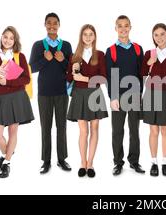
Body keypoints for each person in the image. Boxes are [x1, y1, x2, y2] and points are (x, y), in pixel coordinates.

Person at [0, 26, 34, 178]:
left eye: (11, 38)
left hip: (18, 97)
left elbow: (26, 79)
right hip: (2, 99)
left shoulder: (20, 57)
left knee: (13, 131)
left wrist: (7, 81)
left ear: (15, 41)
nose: (8, 40)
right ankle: (7, 152)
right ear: (1, 37)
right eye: (5, 37)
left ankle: (6, 163)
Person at [29, 12, 73, 174]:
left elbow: (73, 70)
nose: (52, 25)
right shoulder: (38, 45)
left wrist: (63, 61)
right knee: (45, 127)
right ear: (45, 25)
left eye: (55, 23)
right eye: (49, 23)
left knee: (61, 126)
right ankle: (46, 161)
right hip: (44, 93)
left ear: (59, 25)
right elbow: (31, 68)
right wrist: (44, 59)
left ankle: (62, 159)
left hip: (62, 92)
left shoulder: (66, 46)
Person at [67, 24, 108, 178]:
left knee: (95, 128)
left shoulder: (100, 54)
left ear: (95, 37)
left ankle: (90, 163)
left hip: (94, 94)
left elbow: (103, 78)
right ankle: (82, 163)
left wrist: (84, 78)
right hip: (79, 94)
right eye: (85, 34)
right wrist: (72, 70)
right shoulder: (74, 55)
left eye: (91, 34)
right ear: (81, 36)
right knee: (83, 131)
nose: (88, 37)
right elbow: (69, 79)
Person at [105, 15, 145, 176]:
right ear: (116, 28)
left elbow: (141, 73)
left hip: (135, 95)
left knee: (134, 130)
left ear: (130, 27)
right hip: (118, 96)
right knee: (117, 130)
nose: (123, 29)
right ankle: (118, 162)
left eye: (126, 25)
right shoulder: (112, 50)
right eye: (120, 26)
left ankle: (134, 161)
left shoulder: (137, 49)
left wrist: (140, 94)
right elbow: (110, 76)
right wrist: (113, 97)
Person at [141, 23, 166, 177]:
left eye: (162, 34)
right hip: (151, 94)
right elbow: (142, 74)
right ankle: (153, 162)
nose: (159, 37)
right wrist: (149, 63)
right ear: (153, 37)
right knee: (153, 130)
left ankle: (164, 162)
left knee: (165, 129)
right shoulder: (149, 53)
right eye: (156, 35)